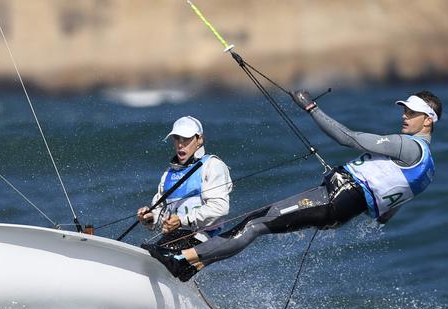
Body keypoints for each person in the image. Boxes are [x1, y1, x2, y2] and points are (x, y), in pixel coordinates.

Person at [147, 90, 441, 281]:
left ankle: (178, 259)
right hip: (341, 207)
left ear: (428, 120)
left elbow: (348, 138)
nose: (404, 116)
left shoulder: (408, 147)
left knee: (256, 224)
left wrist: (311, 108)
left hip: (334, 199)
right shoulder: (426, 170)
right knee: (256, 222)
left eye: (411, 113)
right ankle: (191, 266)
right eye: (404, 110)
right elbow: (385, 213)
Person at [136, 116, 233, 251]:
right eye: (176, 138)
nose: (180, 144)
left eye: (186, 139)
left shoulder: (212, 165)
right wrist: (150, 218)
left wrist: (182, 220)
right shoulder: (168, 173)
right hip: (174, 238)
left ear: (199, 139)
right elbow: (161, 216)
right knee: (148, 251)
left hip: (203, 238)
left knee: (155, 253)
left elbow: (220, 208)